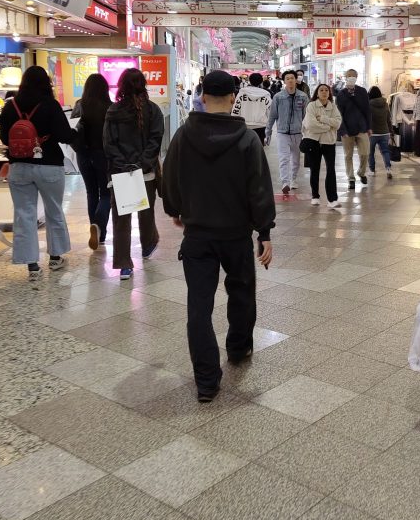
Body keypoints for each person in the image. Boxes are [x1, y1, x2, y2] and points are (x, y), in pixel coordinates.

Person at [162, 70, 275, 402]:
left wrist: (176, 210)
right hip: (236, 235)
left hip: (198, 236)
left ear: (202, 96)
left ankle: (207, 381)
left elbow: (171, 178)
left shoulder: (184, 135)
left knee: (198, 307)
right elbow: (259, 188)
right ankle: (238, 349)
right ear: (232, 98)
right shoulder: (247, 139)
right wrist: (264, 232)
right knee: (241, 293)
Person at [0, 65, 75, 283]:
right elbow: (64, 135)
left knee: (24, 214)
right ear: (45, 83)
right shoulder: (50, 105)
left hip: (19, 166)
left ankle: (32, 265)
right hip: (49, 164)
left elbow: (4, 137)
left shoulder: (10, 106)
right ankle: (55, 257)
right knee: (54, 210)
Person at [103, 68, 164, 281]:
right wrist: (142, 164)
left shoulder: (113, 111)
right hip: (145, 173)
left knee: (121, 219)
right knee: (146, 212)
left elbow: (108, 144)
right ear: (143, 85)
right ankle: (148, 245)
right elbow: (156, 140)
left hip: (120, 174)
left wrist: (123, 165)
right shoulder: (153, 110)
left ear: (121, 86)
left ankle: (124, 265)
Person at [73, 72, 112, 250]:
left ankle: (96, 230)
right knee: (106, 193)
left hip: (83, 155)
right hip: (103, 155)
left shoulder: (79, 106)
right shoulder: (110, 108)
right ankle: (99, 228)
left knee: (91, 192)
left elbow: (72, 131)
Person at [265, 68, 308, 195]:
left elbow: (306, 116)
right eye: (287, 78)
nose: (290, 80)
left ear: (296, 80)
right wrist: (268, 132)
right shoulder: (278, 97)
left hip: (298, 133)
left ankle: (293, 179)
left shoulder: (303, 96)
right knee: (283, 158)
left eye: (292, 78)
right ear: (284, 81)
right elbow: (272, 116)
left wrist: (307, 133)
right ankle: (285, 182)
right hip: (282, 133)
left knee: (296, 160)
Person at [302, 84, 343, 208]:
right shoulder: (311, 106)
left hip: (329, 142)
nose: (324, 92)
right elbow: (311, 125)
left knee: (331, 169)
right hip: (313, 142)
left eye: (326, 90)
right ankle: (315, 196)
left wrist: (323, 119)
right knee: (314, 169)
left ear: (329, 93)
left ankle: (332, 199)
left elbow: (338, 123)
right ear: (317, 92)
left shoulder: (333, 106)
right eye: (321, 90)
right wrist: (328, 127)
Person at [335, 68, 371, 190]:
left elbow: (367, 110)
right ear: (345, 78)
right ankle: (351, 178)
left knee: (365, 153)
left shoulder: (362, 91)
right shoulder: (341, 94)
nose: (351, 77)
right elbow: (339, 114)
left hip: (362, 127)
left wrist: (369, 127)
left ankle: (361, 172)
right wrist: (342, 130)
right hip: (347, 129)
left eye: (353, 75)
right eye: (349, 75)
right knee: (348, 155)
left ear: (357, 77)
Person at [232, 71, 271, 142]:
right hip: (261, 125)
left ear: (250, 81)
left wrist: (235, 123)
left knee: (245, 146)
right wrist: (269, 125)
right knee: (259, 146)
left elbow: (236, 109)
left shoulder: (242, 94)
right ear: (261, 82)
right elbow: (270, 111)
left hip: (245, 125)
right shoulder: (266, 95)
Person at [368, 85, 393, 179]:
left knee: (370, 152)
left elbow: (367, 119)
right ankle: (388, 169)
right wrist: (391, 131)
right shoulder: (385, 104)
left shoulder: (369, 104)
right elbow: (388, 119)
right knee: (385, 151)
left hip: (372, 133)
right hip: (385, 132)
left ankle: (372, 170)